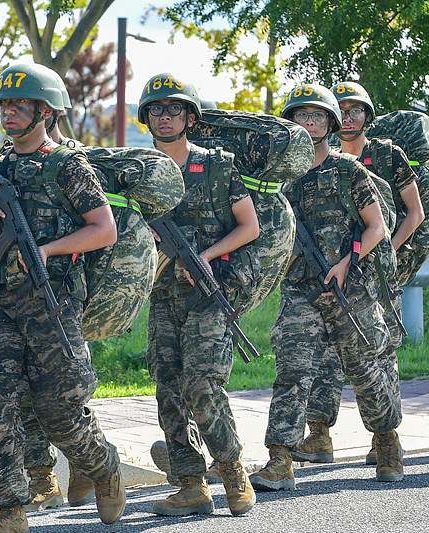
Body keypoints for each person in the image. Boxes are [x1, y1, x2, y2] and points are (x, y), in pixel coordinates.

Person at [0, 62, 124, 532]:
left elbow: (104, 230)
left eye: (20, 104)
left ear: (46, 111)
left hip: (52, 302)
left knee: (60, 412)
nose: (8, 112)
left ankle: (103, 466)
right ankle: (10, 509)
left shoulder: (68, 165)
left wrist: (48, 248)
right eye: (4, 104)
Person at [249, 83, 404, 491]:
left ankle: (387, 443)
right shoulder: (279, 181)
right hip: (302, 291)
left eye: (317, 116)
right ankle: (280, 459)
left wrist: (346, 261)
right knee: (292, 370)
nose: (309, 122)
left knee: (365, 370)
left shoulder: (348, 171)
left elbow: (376, 227)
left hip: (349, 288)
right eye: (301, 116)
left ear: (330, 123)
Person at [138, 72, 259, 517]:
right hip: (161, 294)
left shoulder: (216, 166)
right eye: (156, 109)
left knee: (202, 384)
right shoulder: (140, 170)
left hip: (208, 291)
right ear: (147, 117)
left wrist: (205, 256)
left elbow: (250, 227)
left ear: (190, 116)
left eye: (173, 109)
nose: (165, 117)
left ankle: (232, 470)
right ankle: (190, 484)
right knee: (168, 387)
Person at [290, 81, 418, 467]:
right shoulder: (296, 169)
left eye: (355, 110)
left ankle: (385, 438)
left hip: (369, 271)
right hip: (318, 281)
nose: (348, 117)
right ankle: (317, 433)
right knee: (319, 358)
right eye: (341, 109)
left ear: (367, 115)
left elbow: (410, 214)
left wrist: (372, 256)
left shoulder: (383, 155)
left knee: (373, 355)